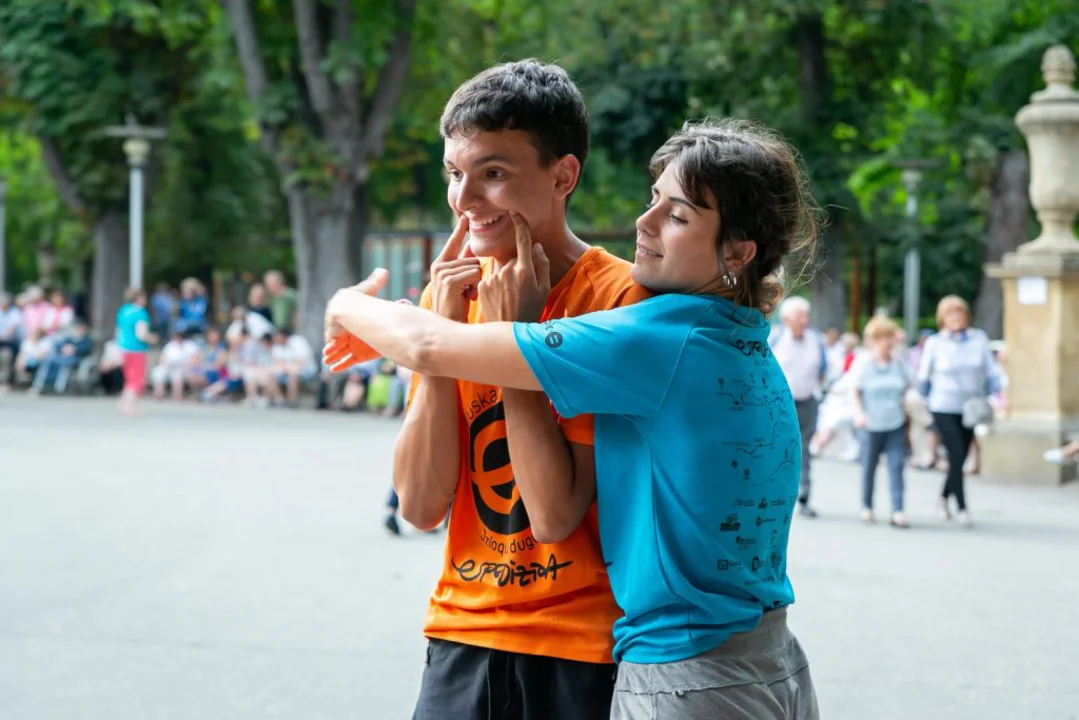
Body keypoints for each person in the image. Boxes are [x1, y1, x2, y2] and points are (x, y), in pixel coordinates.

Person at [326, 118, 820, 719]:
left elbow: (427, 345)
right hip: (767, 657)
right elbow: (421, 497)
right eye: (653, 199)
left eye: (677, 215)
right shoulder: (742, 338)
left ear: (738, 252)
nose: (644, 222)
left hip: (687, 671)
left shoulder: (654, 335)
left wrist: (346, 303)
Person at [329, 60, 651, 720]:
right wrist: (441, 339)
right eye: (455, 173)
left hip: (578, 644)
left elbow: (554, 516)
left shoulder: (619, 298)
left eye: (493, 173)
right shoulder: (448, 296)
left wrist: (512, 338)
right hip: (460, 629)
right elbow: (420, 505)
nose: (463, 198)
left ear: (562, 175)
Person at [917, 295, 1000, 527]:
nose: (955, 318)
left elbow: (991, 370)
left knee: (960, 456)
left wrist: (998, 395)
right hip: (943, 405)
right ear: (942, 318)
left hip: (970, 406)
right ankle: (962, 507)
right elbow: (924, 375)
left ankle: (944, 497)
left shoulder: (978, 339)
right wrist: (925, 403)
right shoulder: (935, 343)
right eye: (950, 314)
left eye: (959, 313)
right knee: (955, 453)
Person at [769, 296, 828, 517]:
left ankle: (803, 495)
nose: (804, 320)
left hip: (807, 400)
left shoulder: (815, 339)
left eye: (805, 315)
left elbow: (823, 369)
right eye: (799, 316)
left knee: (804, 449)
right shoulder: (776, 338)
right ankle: (776, 495)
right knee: (778, 447)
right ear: (786, 319)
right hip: (780, 404)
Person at [850, 316, 911, 528]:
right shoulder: (864, 363)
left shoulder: (899, 363)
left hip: (895, 422)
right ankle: (866, 505)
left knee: (897, 466)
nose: (886, 342)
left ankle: (898, 510)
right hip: (871, 424)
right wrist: (859, 414)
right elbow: (854, 391)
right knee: (869, 466)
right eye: (881, 338)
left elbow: (911, 385)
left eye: (889, 337)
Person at [116, 288, 155, 416]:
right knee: (137, 379)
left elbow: (118, 331)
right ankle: (128, 404)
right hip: (137, 349)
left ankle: (124, 400)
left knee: (129, 377)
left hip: (124, 348)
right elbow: (141, 334)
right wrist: (153, 338)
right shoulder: (140, 313)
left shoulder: (123, 310)